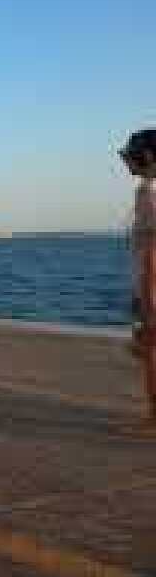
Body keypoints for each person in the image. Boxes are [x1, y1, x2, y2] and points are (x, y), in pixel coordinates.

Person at [122, 129, 156, 430]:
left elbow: (152, 248)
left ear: (145, 158)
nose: (126, 164)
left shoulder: (148, 191)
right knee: (143, 346)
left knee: (148, 350)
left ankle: (153, 417)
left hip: (152, 284)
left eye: (128, 157)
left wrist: (145, 295)